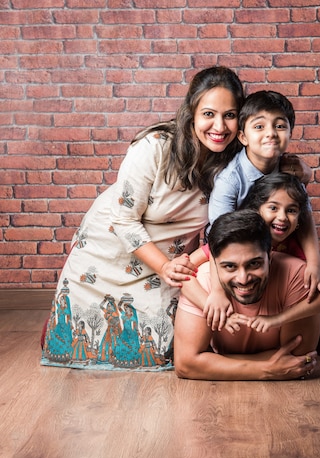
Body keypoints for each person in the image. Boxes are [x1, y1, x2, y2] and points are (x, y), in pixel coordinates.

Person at [41, 66, 246, 371]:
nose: (219, 126)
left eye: (229, 115)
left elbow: (267, 156)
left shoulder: (234, 156)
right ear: (191, 113)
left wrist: (296, 168)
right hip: (113, 247)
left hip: (173, 261)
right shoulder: (154, 148)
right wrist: (163, 267)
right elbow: (123, 219)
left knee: (165, 345)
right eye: (208, 114)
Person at [174, 210, 320, 381]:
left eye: (254, 264)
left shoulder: (298, 276)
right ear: (215, 264)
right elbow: (186, 364)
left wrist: (210, 361)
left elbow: (296, 359)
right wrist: (265, 370)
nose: (243, 279)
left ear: (270, 256)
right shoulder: (202, 281)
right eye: (230, 267)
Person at [207, 90, 320, 307]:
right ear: (243, 137)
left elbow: (305, 218)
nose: (271, 133)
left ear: (290, 132)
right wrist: (216, 290)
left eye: (280, 126)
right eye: (259, 127)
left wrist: (314, 263)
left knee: (319, 280)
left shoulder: (291, 173)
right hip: (240, 248)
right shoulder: (230, 181)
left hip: (279, 242)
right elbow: (217, 235)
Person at [241, 173, 320, 363]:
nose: (282, 217)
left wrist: (314, 270)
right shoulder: (247, 239)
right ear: (256, 210)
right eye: (273, 208)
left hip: (289, 302)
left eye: (291, 210)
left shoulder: (295, 246)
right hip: (261, 301)